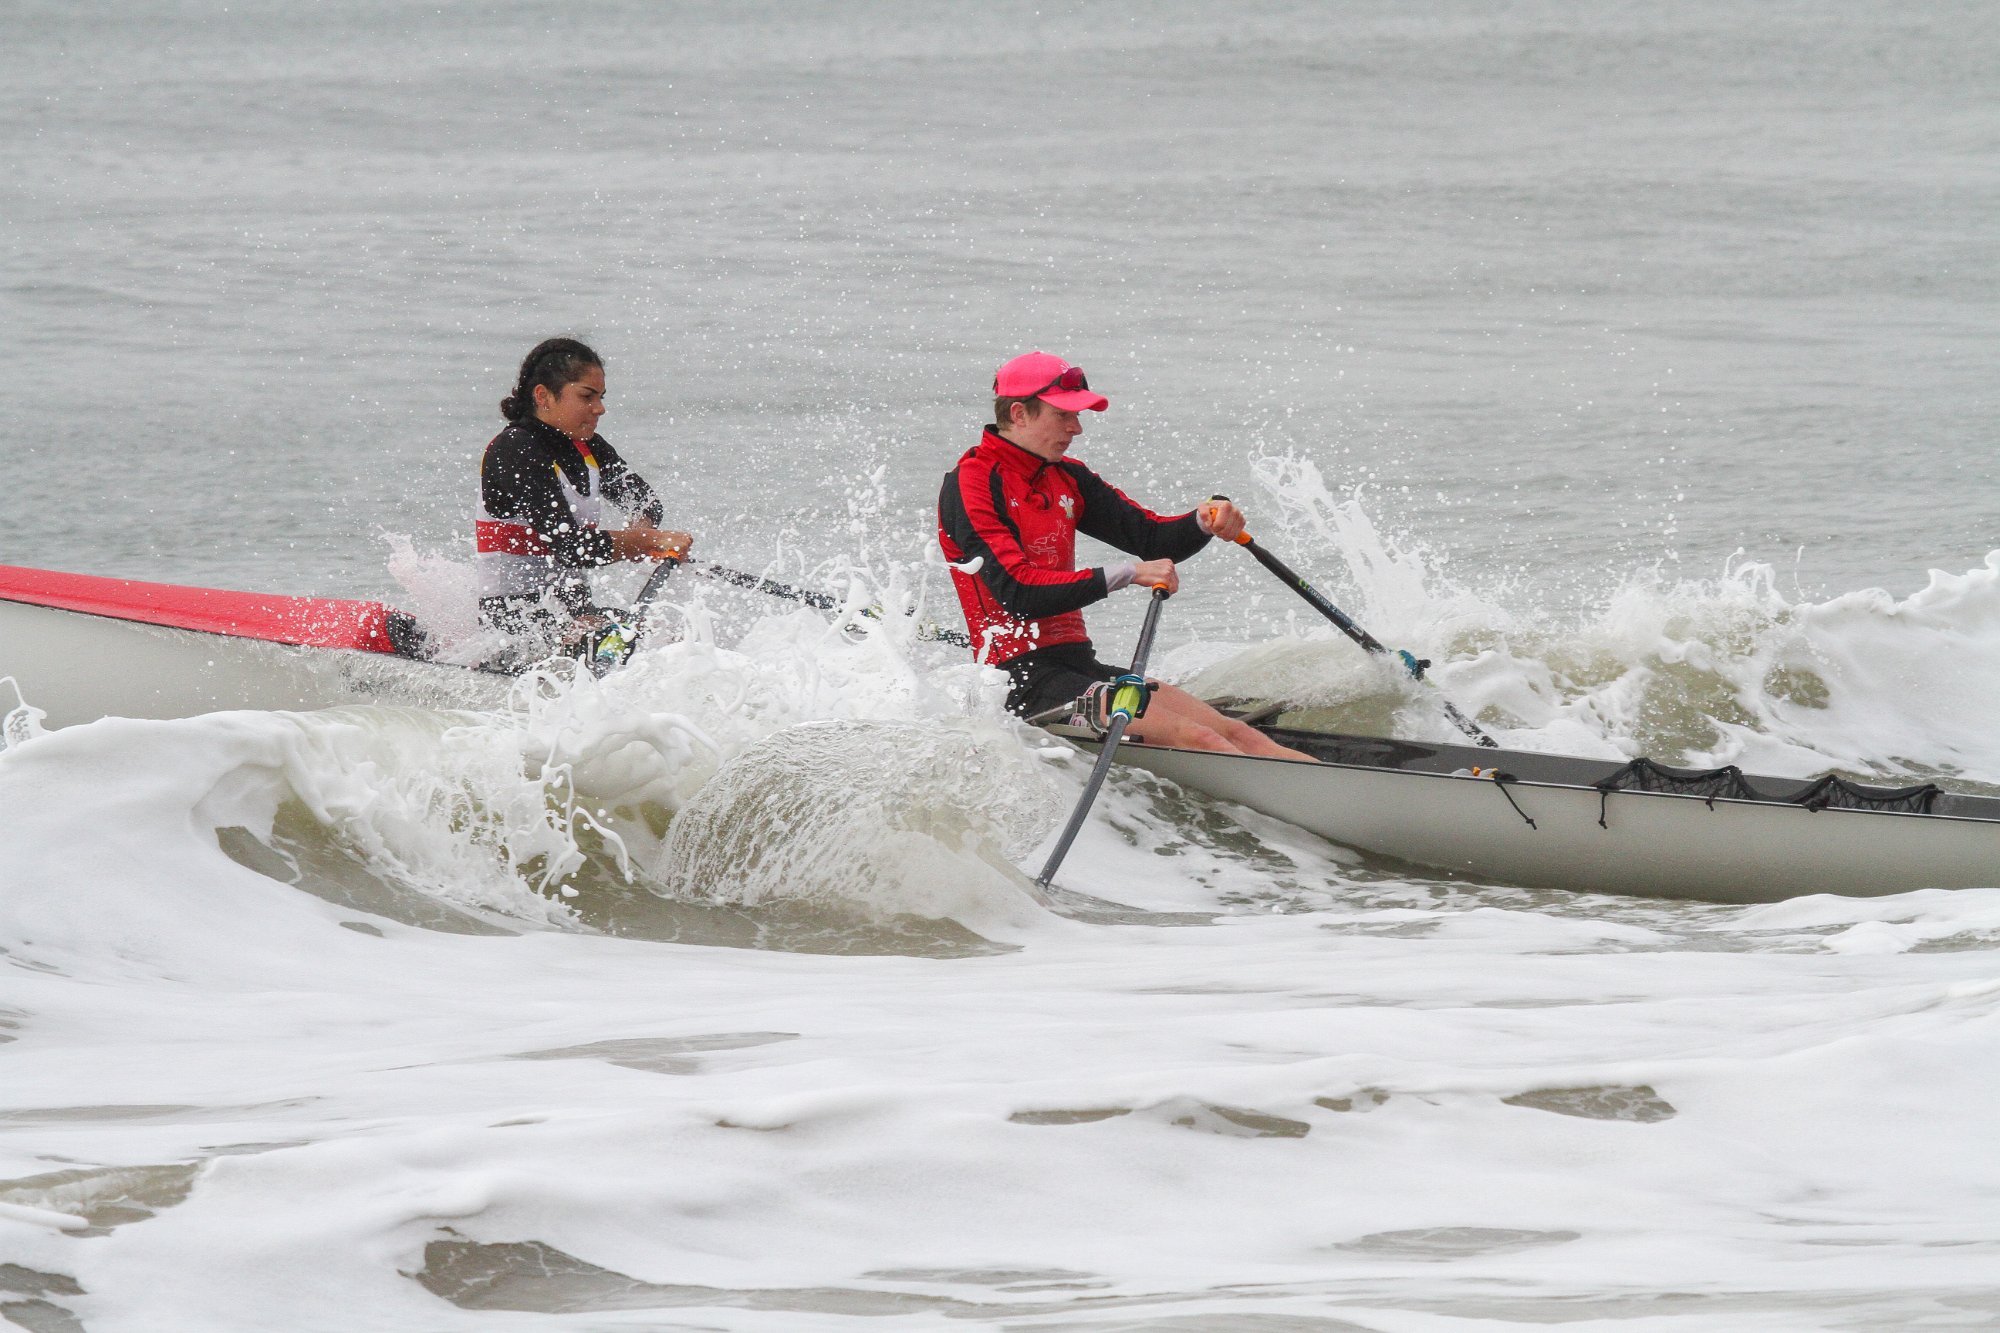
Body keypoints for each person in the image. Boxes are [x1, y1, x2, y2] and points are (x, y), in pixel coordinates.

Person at [937, 350, 1312, 760]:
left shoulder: (1067, 476)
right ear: (1019, 414)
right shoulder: (972, 483)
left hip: (1079, 668)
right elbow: (1018, 592)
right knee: (1201, 740)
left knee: (1235, 732)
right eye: (1063, 415)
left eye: (1077, 416)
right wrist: (1127, 574)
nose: (1076, 428)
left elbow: (1151, 538)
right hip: (1020, 684)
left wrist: (1206, 518)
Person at [476, 338, 693, 656]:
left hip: (575, 616)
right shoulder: (515, 449)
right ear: (544, 396)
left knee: (680, 645)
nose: (600, 408)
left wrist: (641, 532)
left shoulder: (589, 447)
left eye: (601, 397)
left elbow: (645, 501)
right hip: (514, 627)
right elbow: (572, 548)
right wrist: (649, 542)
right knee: (637, 650)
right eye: (587, 396)